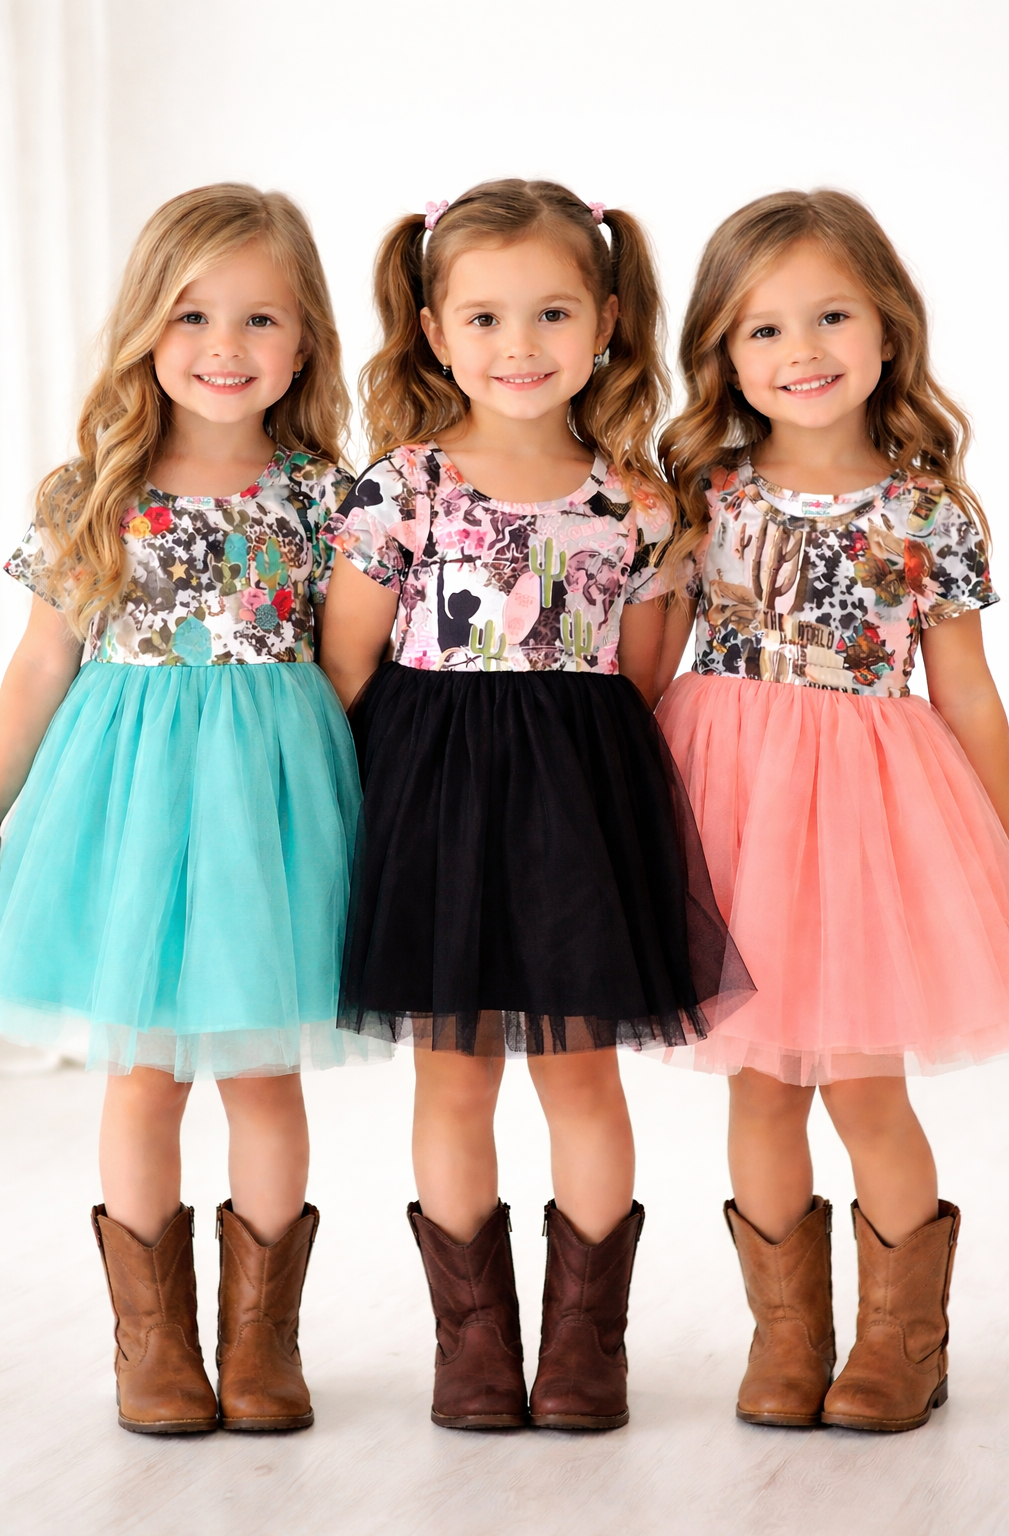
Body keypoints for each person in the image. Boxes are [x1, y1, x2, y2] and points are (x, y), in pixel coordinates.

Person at [320, 179, 750, 1432]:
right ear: (435, 330)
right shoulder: (399, 484)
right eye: (487, 317)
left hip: (576, 803)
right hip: (433, 802)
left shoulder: (638, 501)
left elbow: (646, 673)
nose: (521, 347)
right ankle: (471, 1347)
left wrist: (594, 794)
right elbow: (348, 665)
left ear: (607, 319)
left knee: (579, 1077)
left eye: (553, 313)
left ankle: (582, 1349)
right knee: (450, 1079)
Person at [0, 184, 370, 1434]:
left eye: (260, 318)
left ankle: (261, 1344)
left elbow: (358, 670)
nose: (226, 347)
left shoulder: (330, 498)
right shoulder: (91, 492)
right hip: (129, 811)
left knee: (267, 1076)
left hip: (272, 815)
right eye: (192, 315)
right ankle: (152, 1347)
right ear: (144, 332)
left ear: (306, 340)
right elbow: (42, 667)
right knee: (145, 1075)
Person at [656, 188, 1009, 1433]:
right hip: (731, 806)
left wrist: (1008, 846)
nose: (799, 352)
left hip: (871, 821)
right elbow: (649, 657)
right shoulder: (700, 489)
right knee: (758, 1084)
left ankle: (896, 1342)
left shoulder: (927, 509)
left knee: (865, 1082)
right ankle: (786, 1339)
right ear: (720, 349)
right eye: (761, 331)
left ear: (886, 329)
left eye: (828, 317)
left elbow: (967, 691)